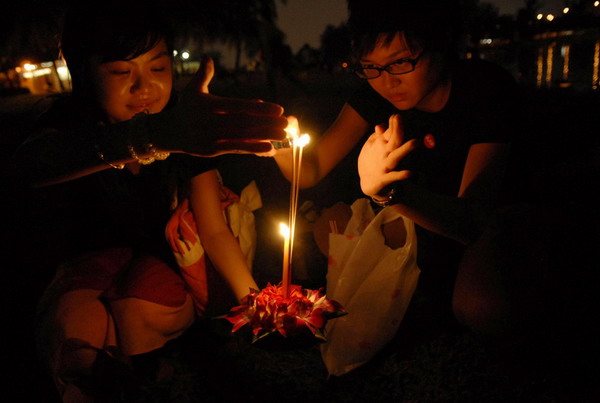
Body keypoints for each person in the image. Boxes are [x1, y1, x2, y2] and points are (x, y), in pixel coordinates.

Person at [16, 1, 286, 400]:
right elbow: (29, 167)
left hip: (157, 271)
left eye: (158, 69)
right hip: (88, 269)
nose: (143, 88)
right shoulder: (70, 131)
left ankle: (139, 362)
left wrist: (258, 303)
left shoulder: (183, 130)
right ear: (85, 73)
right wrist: (148, 139)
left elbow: (214, 230)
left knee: (139, 300)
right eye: (121, 72)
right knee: (72, 329)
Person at [272, 0, 520, 340]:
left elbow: (472, 220)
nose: (386, 82)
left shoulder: (484, 90)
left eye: (400, 62)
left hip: (486, 225)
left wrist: (388, 193)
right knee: (329, 226)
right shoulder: (372, 97)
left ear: (440, 44)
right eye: (370, 67)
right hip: (417, 228)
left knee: (480, 307)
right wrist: (277, 141)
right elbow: (310, 169)